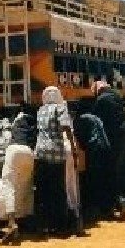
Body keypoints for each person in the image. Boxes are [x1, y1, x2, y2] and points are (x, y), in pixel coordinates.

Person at [34, 86, 77, 234]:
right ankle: (60, 226)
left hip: (40, 152)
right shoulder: (60, 108)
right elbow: (66, 127)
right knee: (58, 189)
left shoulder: (40, 110)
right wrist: (73, 148)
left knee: (44, 189)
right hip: (56, 152)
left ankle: (44, 225)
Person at [91, 81, 125, 220]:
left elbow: (96, 119)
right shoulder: (115, 95)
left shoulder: (100, 100)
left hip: (117, 135)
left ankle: (118, 203)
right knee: (122, 166)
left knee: (112, 170)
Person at [0, 111, 38, 242]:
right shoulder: (33, 125)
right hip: (29, 153)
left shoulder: (16, 122)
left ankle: (12, 223)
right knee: (25, 187)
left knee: (9, 186)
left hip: (14, 151)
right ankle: (26, 222)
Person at [72, 113, 111, 223]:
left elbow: (80, 140)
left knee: (91, 180)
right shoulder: (94, 117)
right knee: (103, 178)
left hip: (94, 149)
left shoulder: (80, 120)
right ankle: (107, 208)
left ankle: (92, 211)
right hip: (105, 147)